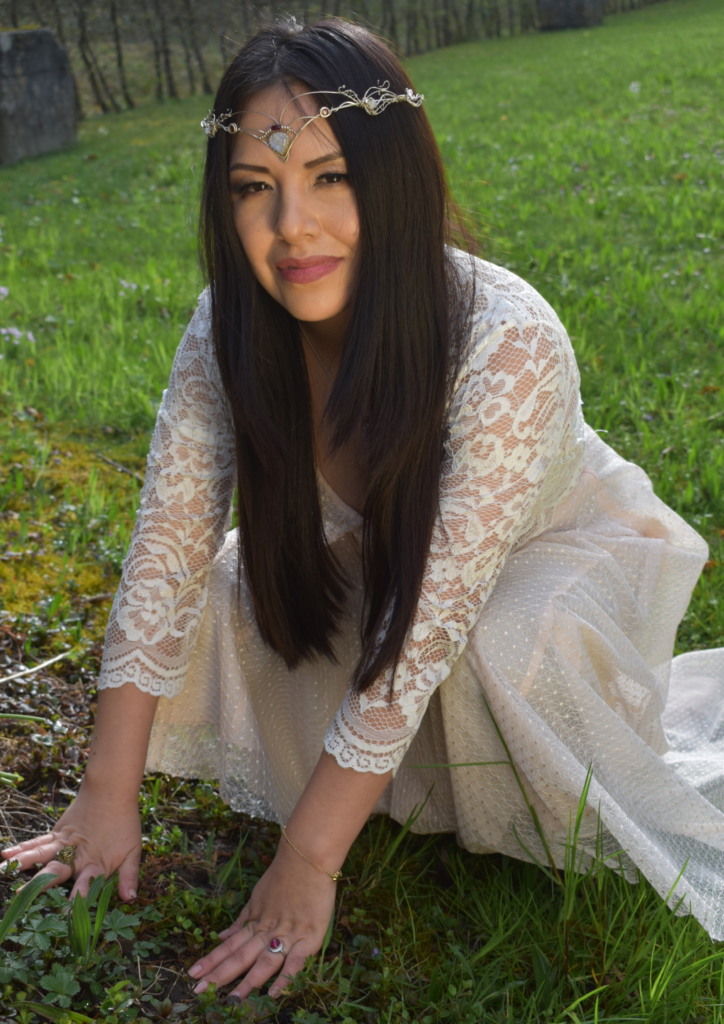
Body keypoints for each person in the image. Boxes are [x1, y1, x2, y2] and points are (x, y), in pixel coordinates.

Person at [4, 17, 724, 1004]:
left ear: (396, 177)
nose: (291, 226)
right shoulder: (227, 324)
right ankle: (408, 780)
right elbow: (165, 549)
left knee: (494, 641)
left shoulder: (505, 340)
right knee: (227, 582)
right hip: (387, 560)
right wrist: (103, 793)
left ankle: (478, 787)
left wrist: (308, 857)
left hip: (543, 572)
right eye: (253, 188)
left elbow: (427, 624)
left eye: (330, 176)